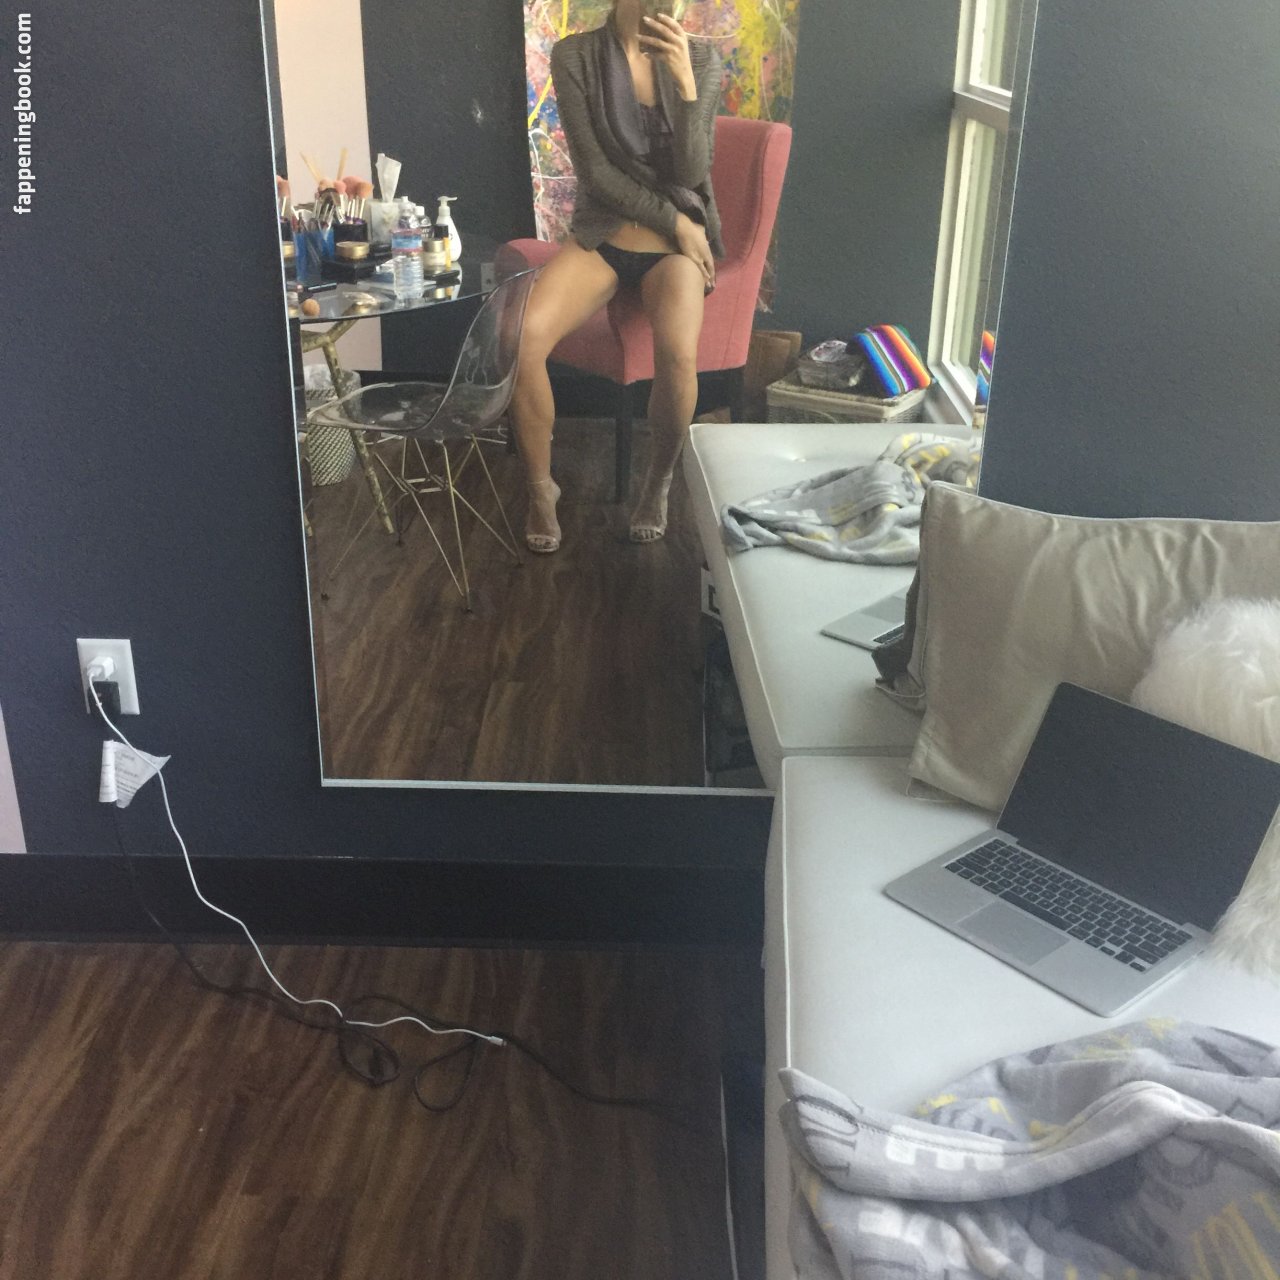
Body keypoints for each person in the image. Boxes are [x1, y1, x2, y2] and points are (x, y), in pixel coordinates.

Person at [511, 0, 724, 553]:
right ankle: (540, 488)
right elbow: (597, 173)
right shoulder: (576, 56)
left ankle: (658, 482)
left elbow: (692, 173)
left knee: (678, 355)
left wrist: (685, 86)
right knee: (523, 337)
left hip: (674, 253)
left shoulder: (702, 60)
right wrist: (676, 222)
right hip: (606, 234)